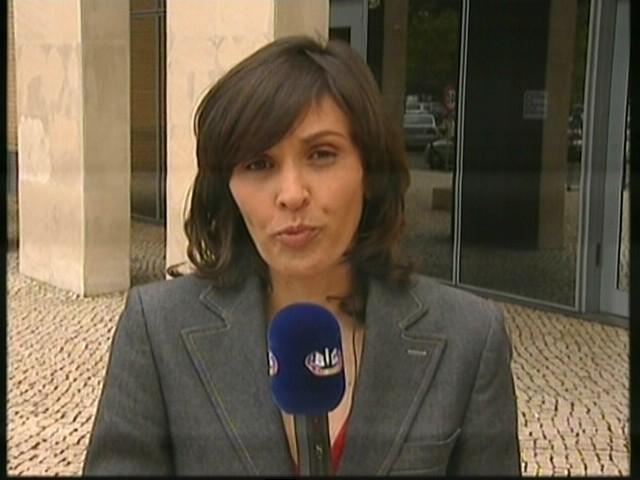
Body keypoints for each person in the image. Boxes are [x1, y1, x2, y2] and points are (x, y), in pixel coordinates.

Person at [83, 35, 521, 476]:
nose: (292, 194)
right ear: (227, 188)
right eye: (258, 164)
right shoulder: (158, 329)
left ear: (370, 172)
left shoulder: (469, 337)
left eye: (321, 155)